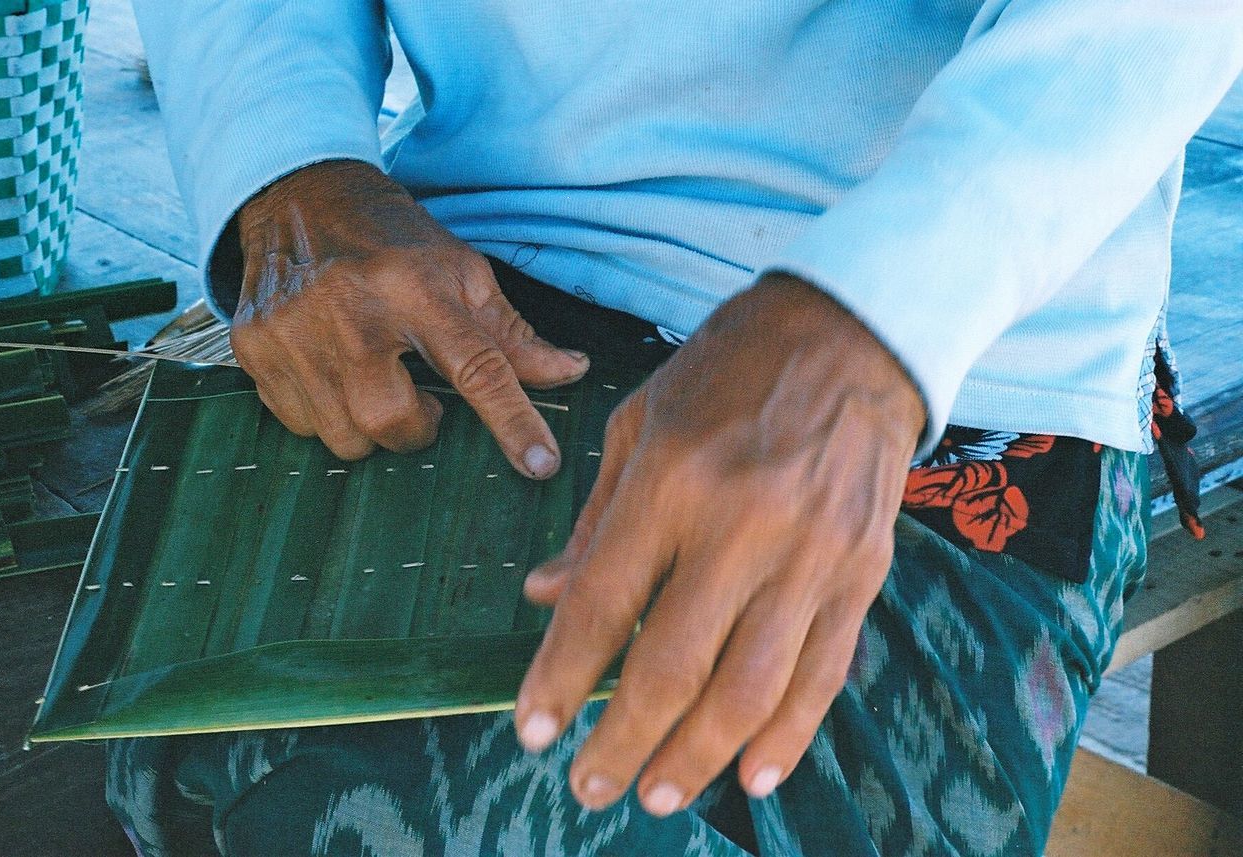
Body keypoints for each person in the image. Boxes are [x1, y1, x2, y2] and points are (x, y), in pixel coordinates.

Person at [111, 2, 1243, 854]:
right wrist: (288, 165)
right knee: (188, 715)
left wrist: (874, 314)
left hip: (955, 348)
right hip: (473, 272)